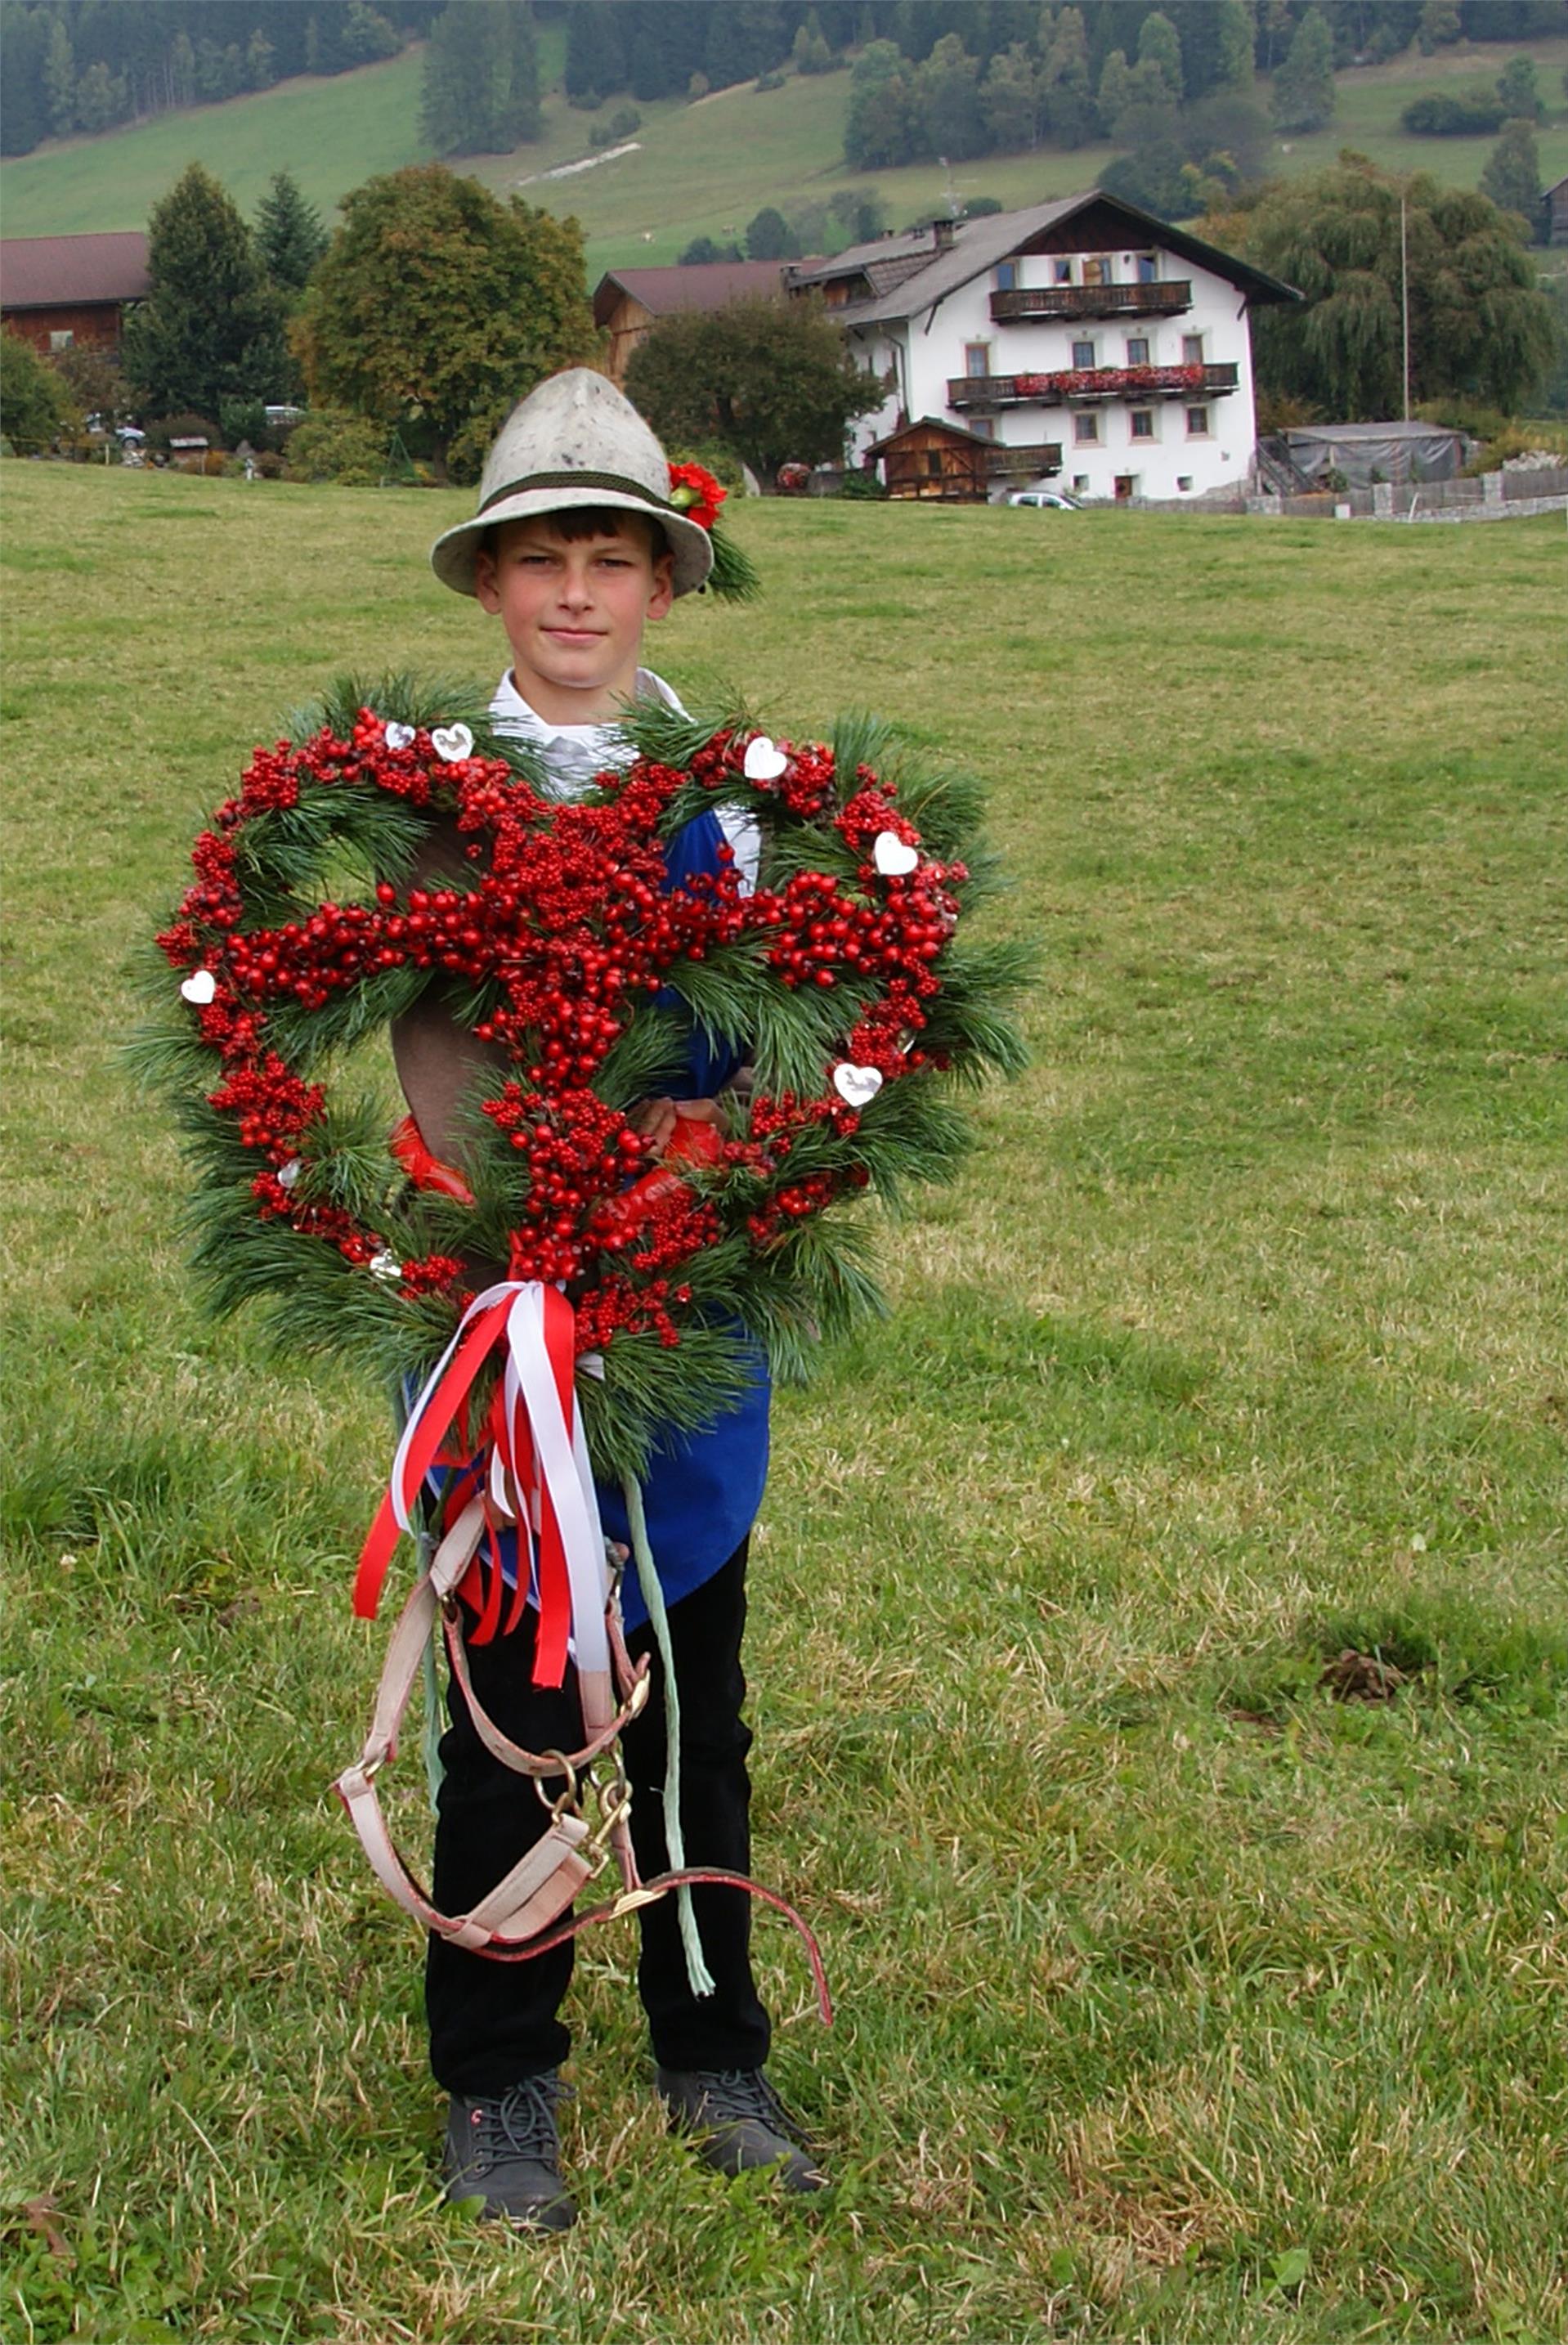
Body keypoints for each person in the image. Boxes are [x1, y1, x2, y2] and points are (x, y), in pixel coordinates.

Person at [394, 370, 824, 2231]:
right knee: (512, 1696)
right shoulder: (421, 798)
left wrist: (703, 1158)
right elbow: (405, 1047)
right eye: (542, 561)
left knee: (690, 1699)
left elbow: (784, 1035)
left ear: (663, 582)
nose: (576, 596)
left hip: (683, 1306)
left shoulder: (730, 810)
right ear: (494, 587)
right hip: (509, 1324)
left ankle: (712, 2045)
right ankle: (499, 2084)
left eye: (611, 560)